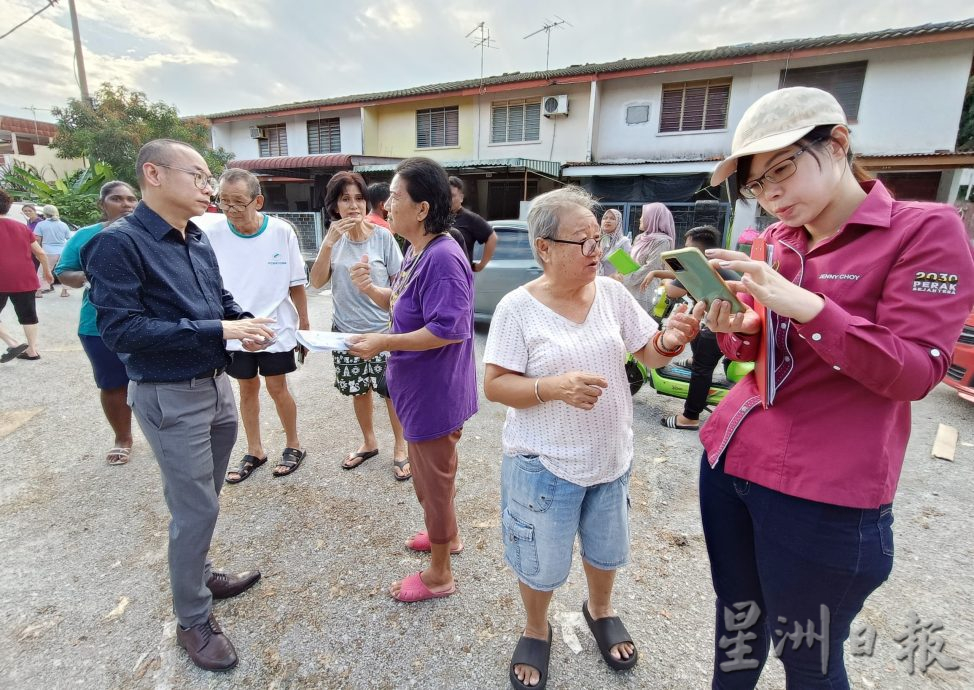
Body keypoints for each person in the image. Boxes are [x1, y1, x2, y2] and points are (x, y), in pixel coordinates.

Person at [700, 87, 974, 688]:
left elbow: (914, 370)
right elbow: (759, 355)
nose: (770, 194)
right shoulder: (776, 244)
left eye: (782, 169)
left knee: (809, 653)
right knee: (738, 622)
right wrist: (735, 330)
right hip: (730, 460)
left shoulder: (923, 231)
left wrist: (808, 306)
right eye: (755, 184)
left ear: (839, 144)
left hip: (824, 492)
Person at [481, 186, 703, 689]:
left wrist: (671, 338)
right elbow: (495, 385)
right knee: (539, 558)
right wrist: (550, 387)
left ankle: (600, 610)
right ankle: (536, 627)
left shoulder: (613, 293)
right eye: (581, 241)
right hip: (543, 463)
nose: (596, 250)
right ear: (545, 247)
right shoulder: (519, 308)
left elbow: (649, 352)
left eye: (596, 239)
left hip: (609, 456)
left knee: (606, 549)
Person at [82, 139, 275, 672]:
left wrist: (246, 321)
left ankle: (198, 570)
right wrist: (221, 326)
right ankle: (192, 616)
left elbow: (218, 300)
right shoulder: (118, 244)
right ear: (154, 175)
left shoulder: (196, 237)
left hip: (215, 385)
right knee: (195, 507)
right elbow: (121, 329)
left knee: (203, 500)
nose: (209, 187)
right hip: (170, 394)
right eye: (198, 175)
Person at [347, 157, 477, 601]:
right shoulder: (416, 250)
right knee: (435, 479)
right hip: (420, 388)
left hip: (434, 394)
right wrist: (369, 289)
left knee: (432, 485)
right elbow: (402, 302)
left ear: (422, 209)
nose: (385, 205)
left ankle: (439, 575)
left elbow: (449, 328)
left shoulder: (441, 256)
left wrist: (382, 343)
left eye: (396, 198)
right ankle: (448, 536)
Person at [205, 168, 310, 481]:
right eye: (224, 202)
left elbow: (296, 284)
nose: (232, 210)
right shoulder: (212, 234)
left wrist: (303, 325)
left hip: (275, 328)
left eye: (239, 203)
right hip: (236, 329)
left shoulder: (281, 232)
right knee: (246, 389)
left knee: (278, 387)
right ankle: (255, 449)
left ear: (258, 201)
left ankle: (293, 445)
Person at [309, 172, 409, 479]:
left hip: (382, 331)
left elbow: (400, 283)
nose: (353, 206)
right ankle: (369, 442)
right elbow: (315, 283)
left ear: (367, 202)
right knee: (358, 389)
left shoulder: (382, 237)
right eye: (345, 199)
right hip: (346, 332)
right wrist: (328, 242)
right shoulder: (332, 241)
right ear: (334, 205)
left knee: (391, 392)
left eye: (359, 198)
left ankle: (401, 447)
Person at [54, 181, 138, 464]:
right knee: (113, 382)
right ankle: (122, 437)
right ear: (102, 204)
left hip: (147, 321)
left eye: (131, 199)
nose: (126, 205)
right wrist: (89, 276)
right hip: (98, 324)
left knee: (158, 381)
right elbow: (63, 273)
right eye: (117, 199)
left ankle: (163, 435)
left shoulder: (149, 233)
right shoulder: (86, 236)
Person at [640, 225, 735, 431]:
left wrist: (663, 278)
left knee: (703, 369)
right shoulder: (716, 264)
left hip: (723, 323)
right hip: (722, 319)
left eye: (687, 246)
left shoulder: (699, 267)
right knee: (694, 322)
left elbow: (673, 291)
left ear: (696, 251)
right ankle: (693, 360)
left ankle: (690, 417)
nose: (683, 249)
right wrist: (658, 271)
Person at [0, 188, 53, 362]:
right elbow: (40, 253)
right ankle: (32, 350)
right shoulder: (21, 227)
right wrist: (47, 272)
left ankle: (13, 343)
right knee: (28, 315)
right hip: (24, 277)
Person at [622, 202, 676, 312]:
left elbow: (652, 267)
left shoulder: (662, 242)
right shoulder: (639, 238)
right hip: (628, 287)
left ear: (654, 218)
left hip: (644, 290)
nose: (640, 219)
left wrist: (628, 279)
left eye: (644, 215)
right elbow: (631, 260)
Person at [448, 176, 497, 272]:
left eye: (452, 196)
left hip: (460, 275)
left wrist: (481, 265)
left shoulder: (470, 218)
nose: (448, 199)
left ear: (461, 197)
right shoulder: (437, 217)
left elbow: (492, 238)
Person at [34, 205, 73, 297]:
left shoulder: (41, 224)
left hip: (48, 251)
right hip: (62, 251)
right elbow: (69, 239)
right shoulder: (63, 225)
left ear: (44, 213)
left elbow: (38, 240)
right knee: (64, 271)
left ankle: (39, 291)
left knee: (43, 271)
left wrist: (37, 252)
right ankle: (64, 291)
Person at [596, 208, 631, 278]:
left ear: (618, 222)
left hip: (612, 284)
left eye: (612, 218)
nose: (607, 221)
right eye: (605, 218)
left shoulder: (623, 242)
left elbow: (626, 269)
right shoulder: (598, 239)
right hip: (596, 282)